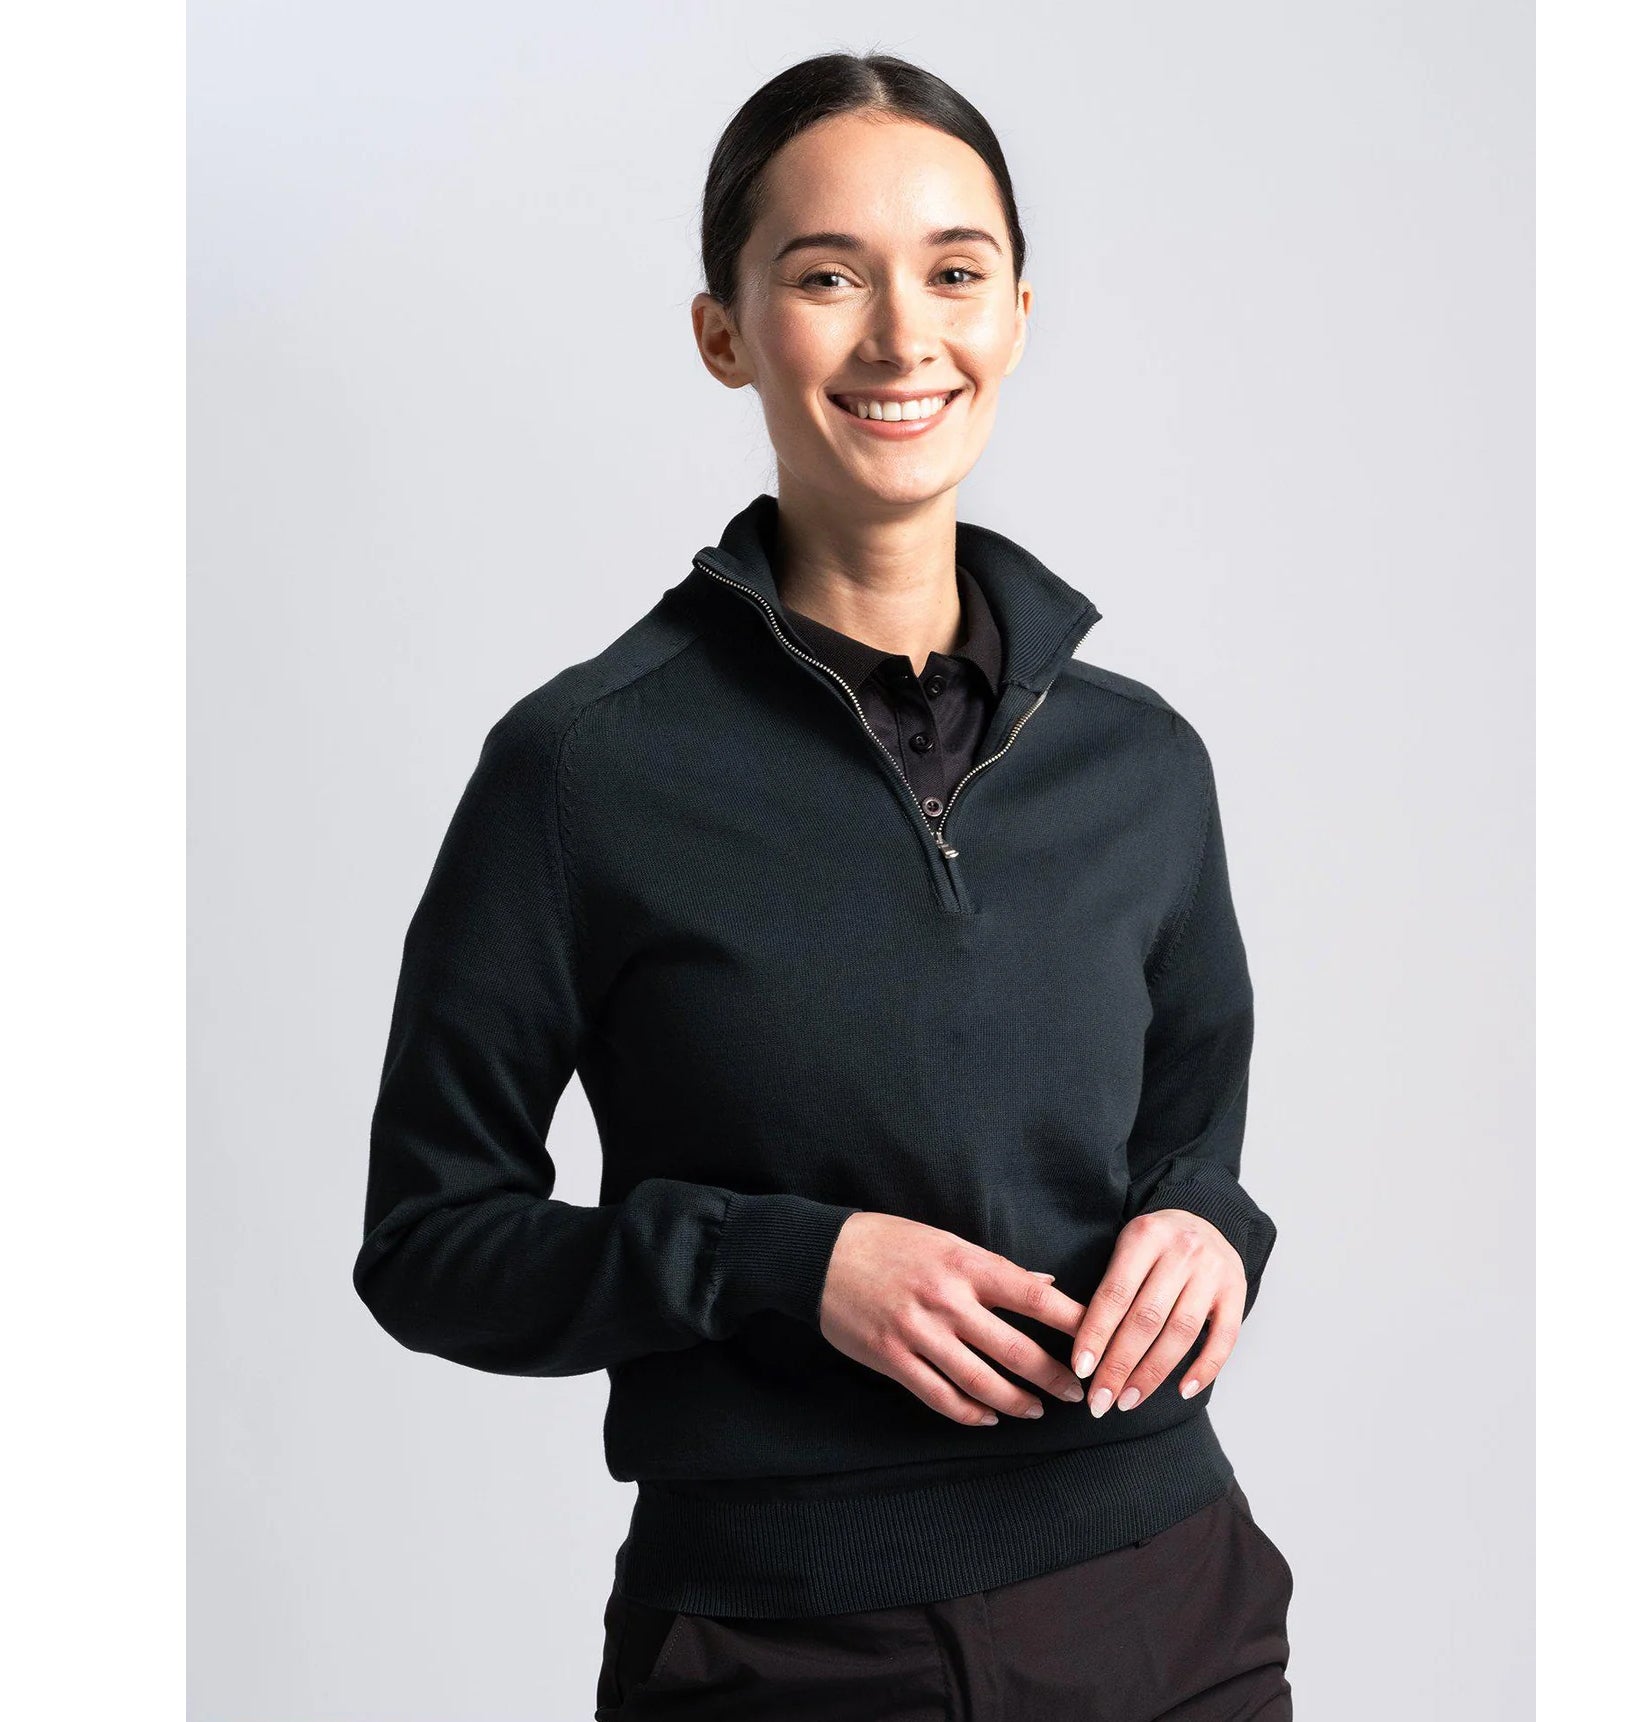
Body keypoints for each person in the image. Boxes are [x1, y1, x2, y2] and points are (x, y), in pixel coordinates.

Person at [354, 49, 1293, 1721]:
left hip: (1170, 1606)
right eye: (825, 276)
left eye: (954, 272)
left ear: (1016, 316)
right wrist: (784, 1263)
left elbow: (1188, 1142)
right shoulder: (581, 769)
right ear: (723, 331)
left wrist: (1206, 1225)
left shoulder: (1143, 765)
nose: (900, 335)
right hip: (784, 1644)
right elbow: (429, 1242)